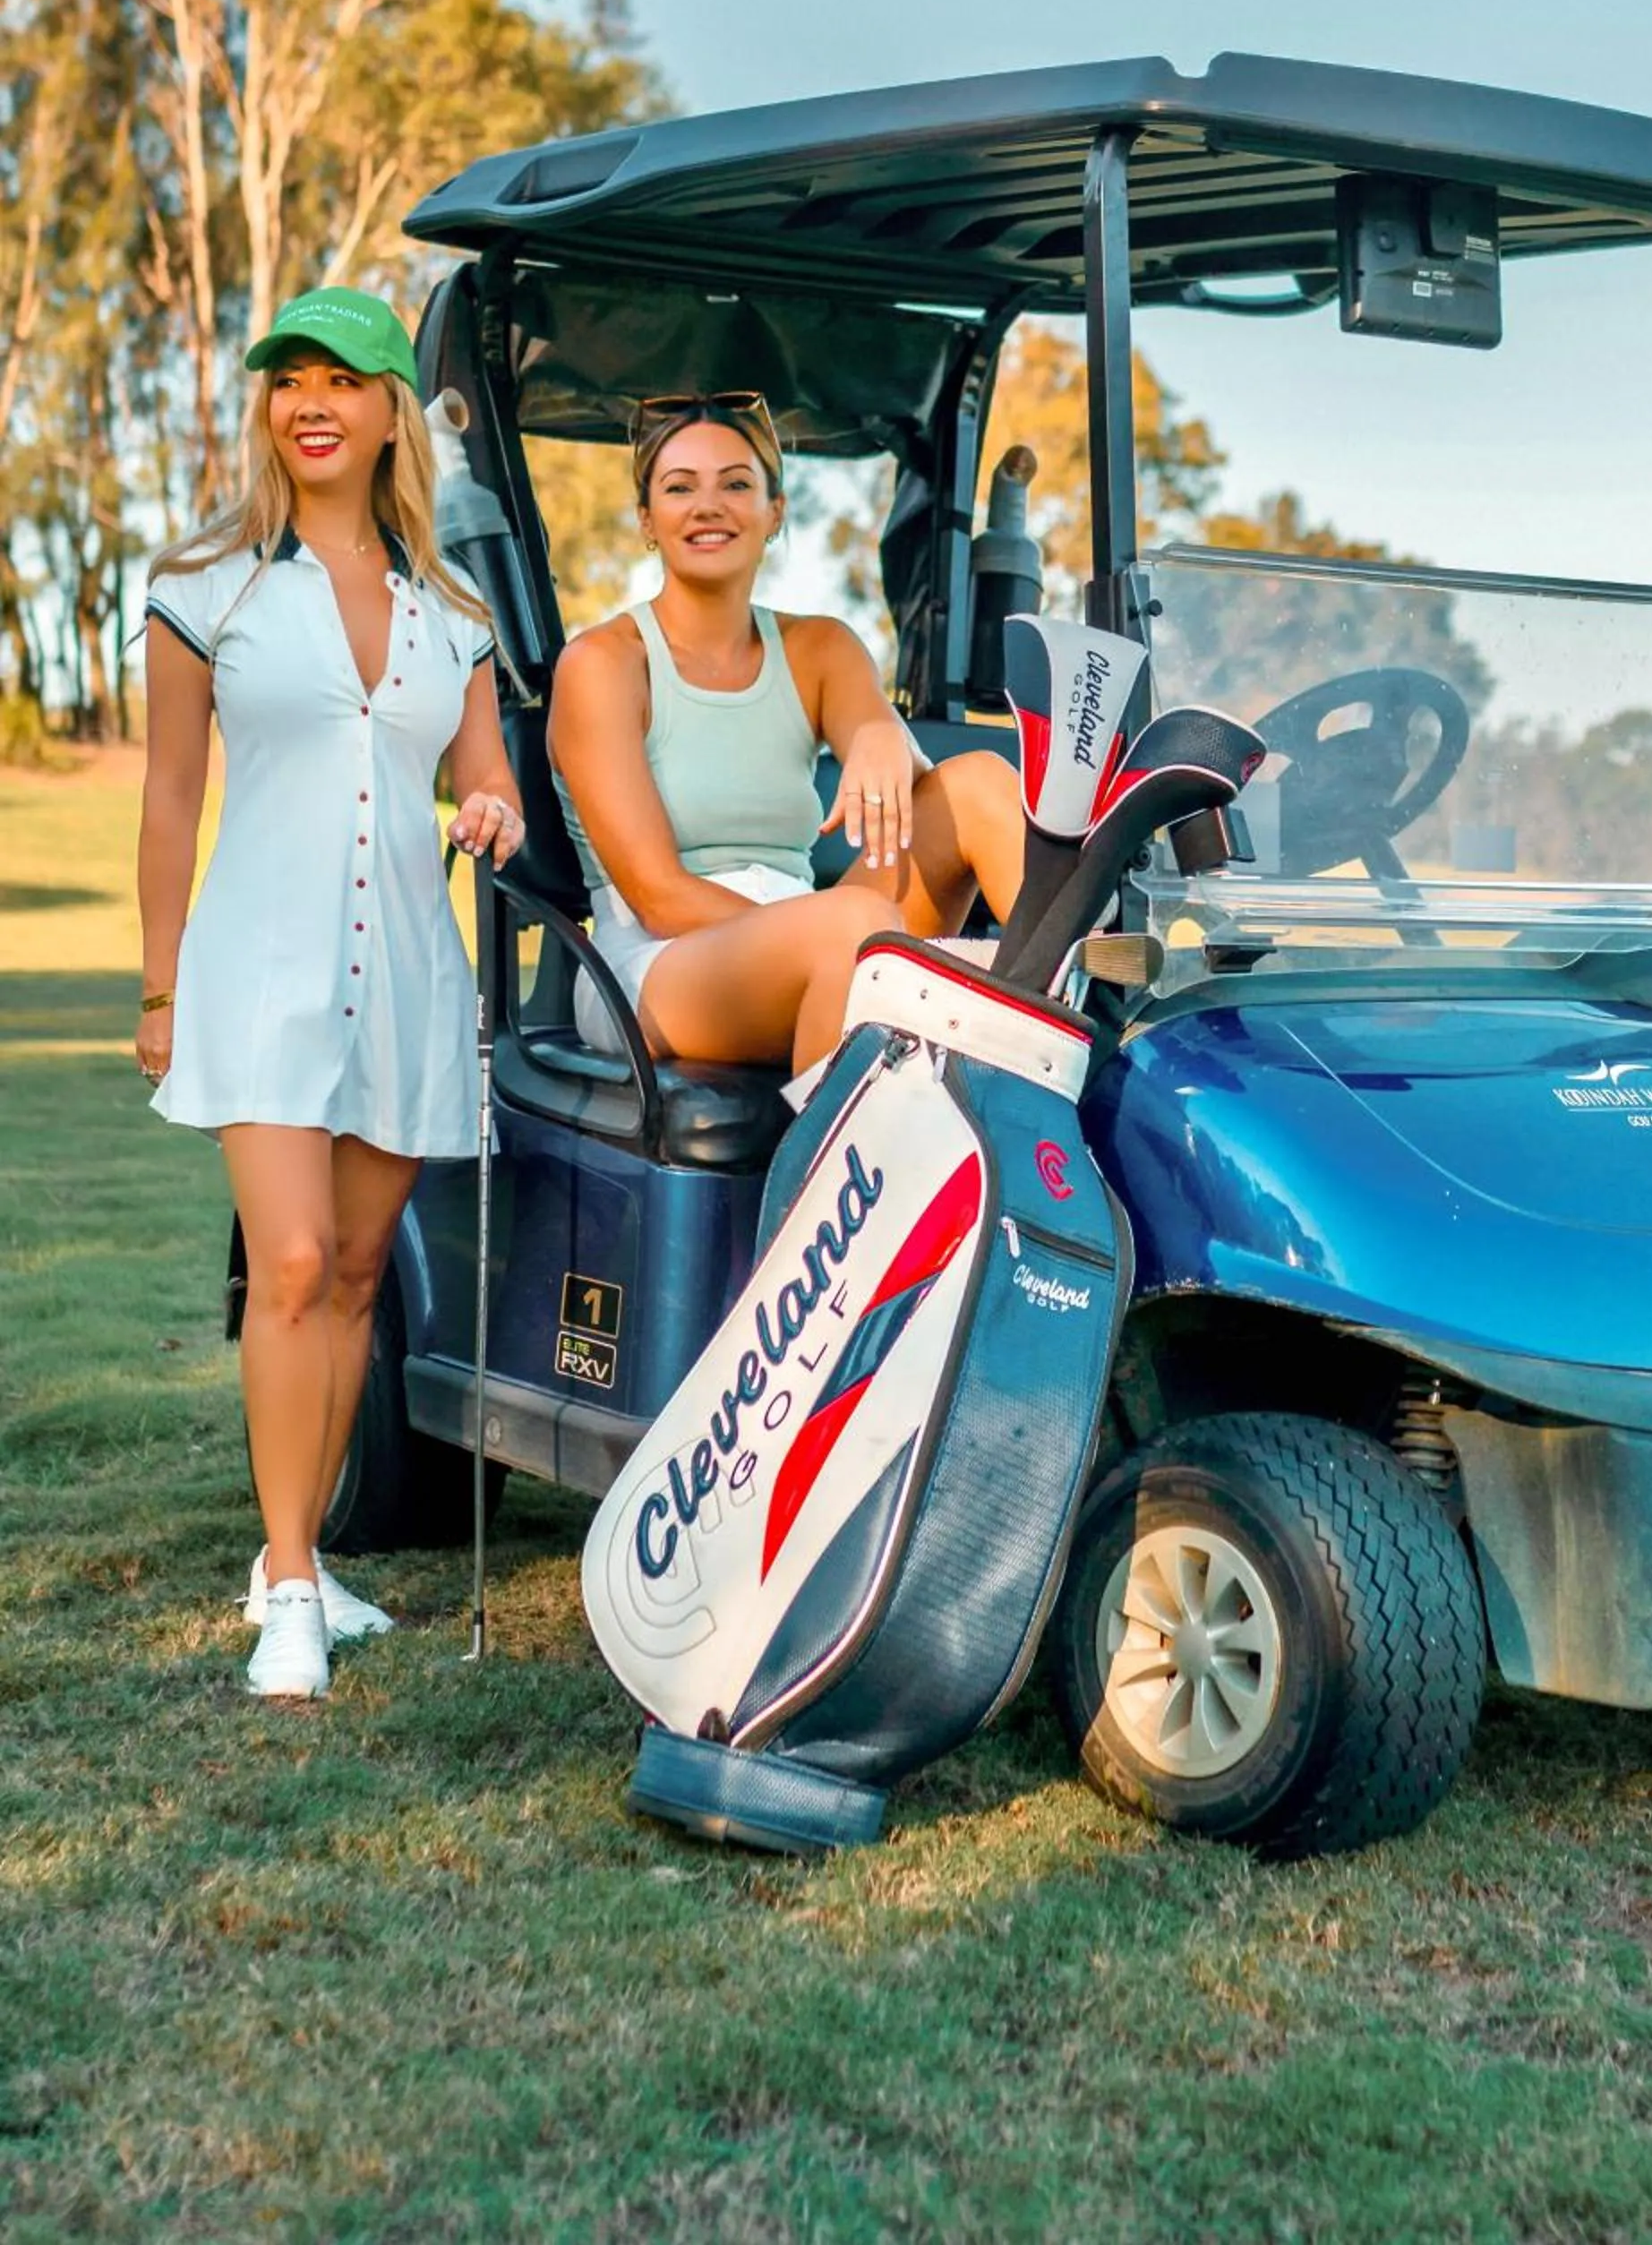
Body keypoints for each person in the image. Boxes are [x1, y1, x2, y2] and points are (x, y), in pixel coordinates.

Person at [136, 287, 525, 1701]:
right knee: (290, 1265)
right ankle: (289, 1582)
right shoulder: (208, 586)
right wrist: (160, 985)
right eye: (288, 379)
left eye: (341, 379)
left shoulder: (454, 615)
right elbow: (172, 798)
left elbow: (489, 779)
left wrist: (491, 809)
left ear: (386, 414)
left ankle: (301, 1565)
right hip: (260, 974)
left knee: (358, 1276)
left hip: (412, 979)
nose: (309, 401)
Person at [547, 392, 1025, 1077]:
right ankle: (819, 1181)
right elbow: (658, 894)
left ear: (775, 513)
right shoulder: (604, 664)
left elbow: (867, 721)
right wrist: (824, 937)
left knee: (978, 783)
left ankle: (1080, 1036)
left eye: (737, 484)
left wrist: (881, 734)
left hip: (817, 928)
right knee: (849, 927)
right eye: (680, 488)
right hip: (654, 963)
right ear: (648, 520)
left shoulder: (820, 647)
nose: (708, 506)